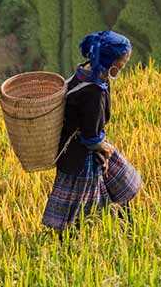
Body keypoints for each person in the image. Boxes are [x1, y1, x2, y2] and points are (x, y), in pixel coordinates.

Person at [42, 30, 144, 232]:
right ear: (111, 63)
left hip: (73, 150)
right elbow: (90, 136)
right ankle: (70, 244)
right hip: (81, 155)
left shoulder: (82, 73)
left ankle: (130, 231)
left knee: (119, 185)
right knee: (76, 211)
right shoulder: (93, 93)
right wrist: (104, 148)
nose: (124, 65)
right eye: (122, 62)